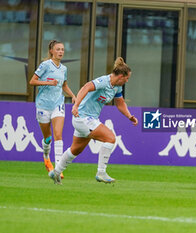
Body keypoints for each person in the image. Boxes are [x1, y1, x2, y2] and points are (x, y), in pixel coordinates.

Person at [48, 57, 138, 185]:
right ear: (121, 76)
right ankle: (101, 172)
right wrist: (76, 105)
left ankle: (56, 172)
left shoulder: (117, 87)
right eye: (127, 78)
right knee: (110, 138)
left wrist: (129, 116)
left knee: (76, 149)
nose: (127, 81)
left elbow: (120, 103)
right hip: (83, 117)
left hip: (89, 119)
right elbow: (86, 87)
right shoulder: (103, 81)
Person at [29, 40, 76, 179]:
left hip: (58, 104)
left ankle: (58, 169)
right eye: (58, 49)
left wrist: (73, 96)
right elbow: (32, 81)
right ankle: (45, 155)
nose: (61, 52)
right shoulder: (45, 65)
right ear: (51, 51)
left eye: (62, 49)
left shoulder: (63, 69)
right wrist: (48, 82)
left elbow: (64, 85)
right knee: (48, 138)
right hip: (43, 105)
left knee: (58, 135)